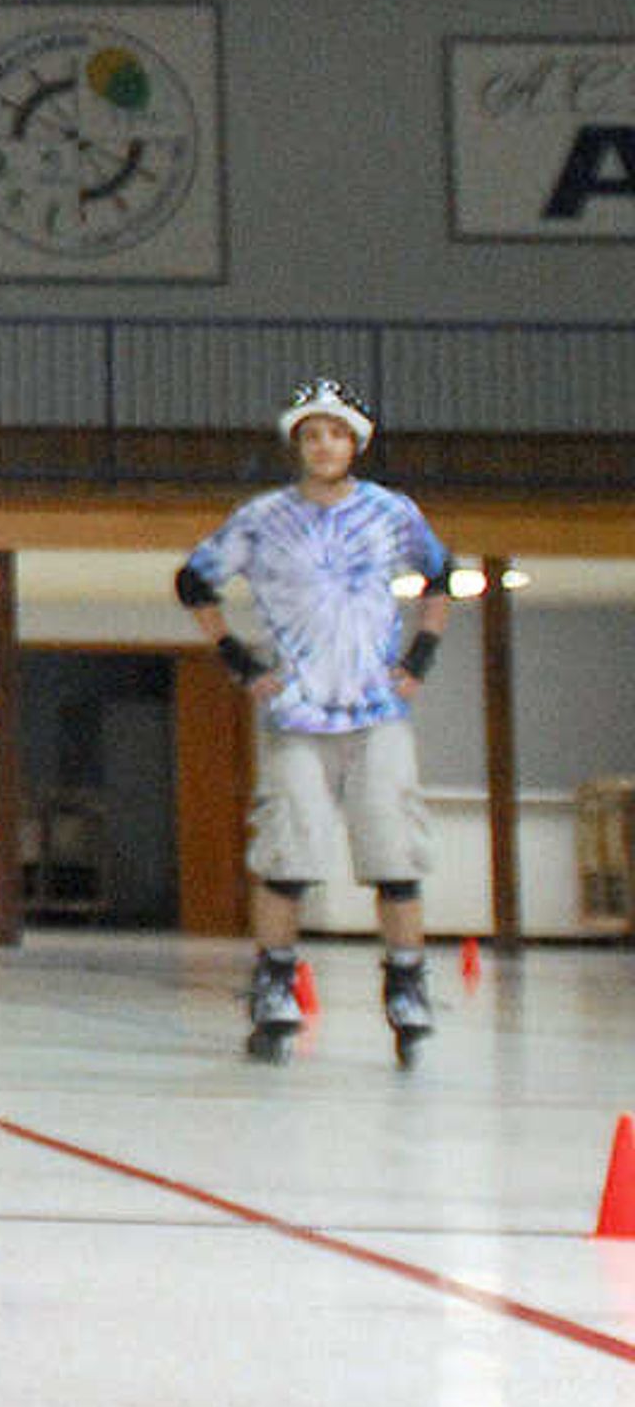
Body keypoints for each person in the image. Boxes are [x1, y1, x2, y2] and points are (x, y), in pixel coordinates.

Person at [175, 377, 452, 1064]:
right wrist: (237, 657)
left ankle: (408, 982)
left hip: (376, 711)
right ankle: (274, 981)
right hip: (298, 712)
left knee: (395, 854)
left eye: (334, 433)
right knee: (288, 854)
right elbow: (194, 580)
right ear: (297, 445)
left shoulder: (391, 513)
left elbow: (442, 574)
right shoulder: (263, 518)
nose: (323, 444)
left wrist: (421, 653)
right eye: (310, 434)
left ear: (355, 442)